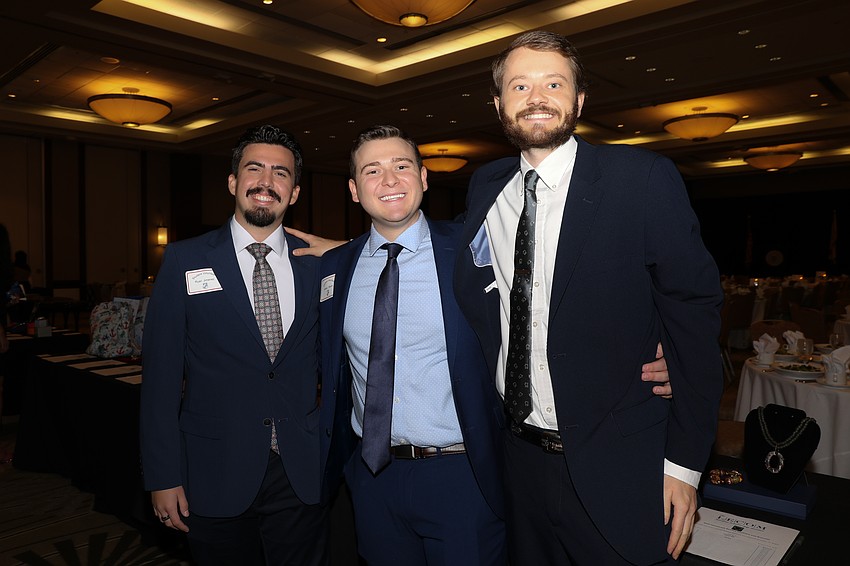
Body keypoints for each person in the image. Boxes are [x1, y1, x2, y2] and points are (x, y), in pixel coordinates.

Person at [453, 31, 724, 565]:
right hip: (520, 459)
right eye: (520, 85)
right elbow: (453, 251)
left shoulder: (640, 180)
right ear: (499, 104)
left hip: (621, 460)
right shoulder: (486, 187)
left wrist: (684, 465)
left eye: (554, 83)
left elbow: (693, 316)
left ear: (579, 100)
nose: (537, 97)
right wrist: (351, 248)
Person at [317, 125, 507, 565]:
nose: (389, 180)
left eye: (401, 166)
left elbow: (547, 307)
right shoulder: (335, 269)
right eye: (372, 170)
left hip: (462, 476)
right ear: (353, 189)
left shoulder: (474, 251)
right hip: (372, 477)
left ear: (423, 178)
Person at [139, 125, 328, 565]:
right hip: (213, 467)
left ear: (294, 192)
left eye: (281, 173)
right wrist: (162, 476)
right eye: (254, 168)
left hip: (300, 471)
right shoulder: (186, 260)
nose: (266, 181)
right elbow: (161, 380)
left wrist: (347, 248)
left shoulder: (319, 265)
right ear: (232, 182)